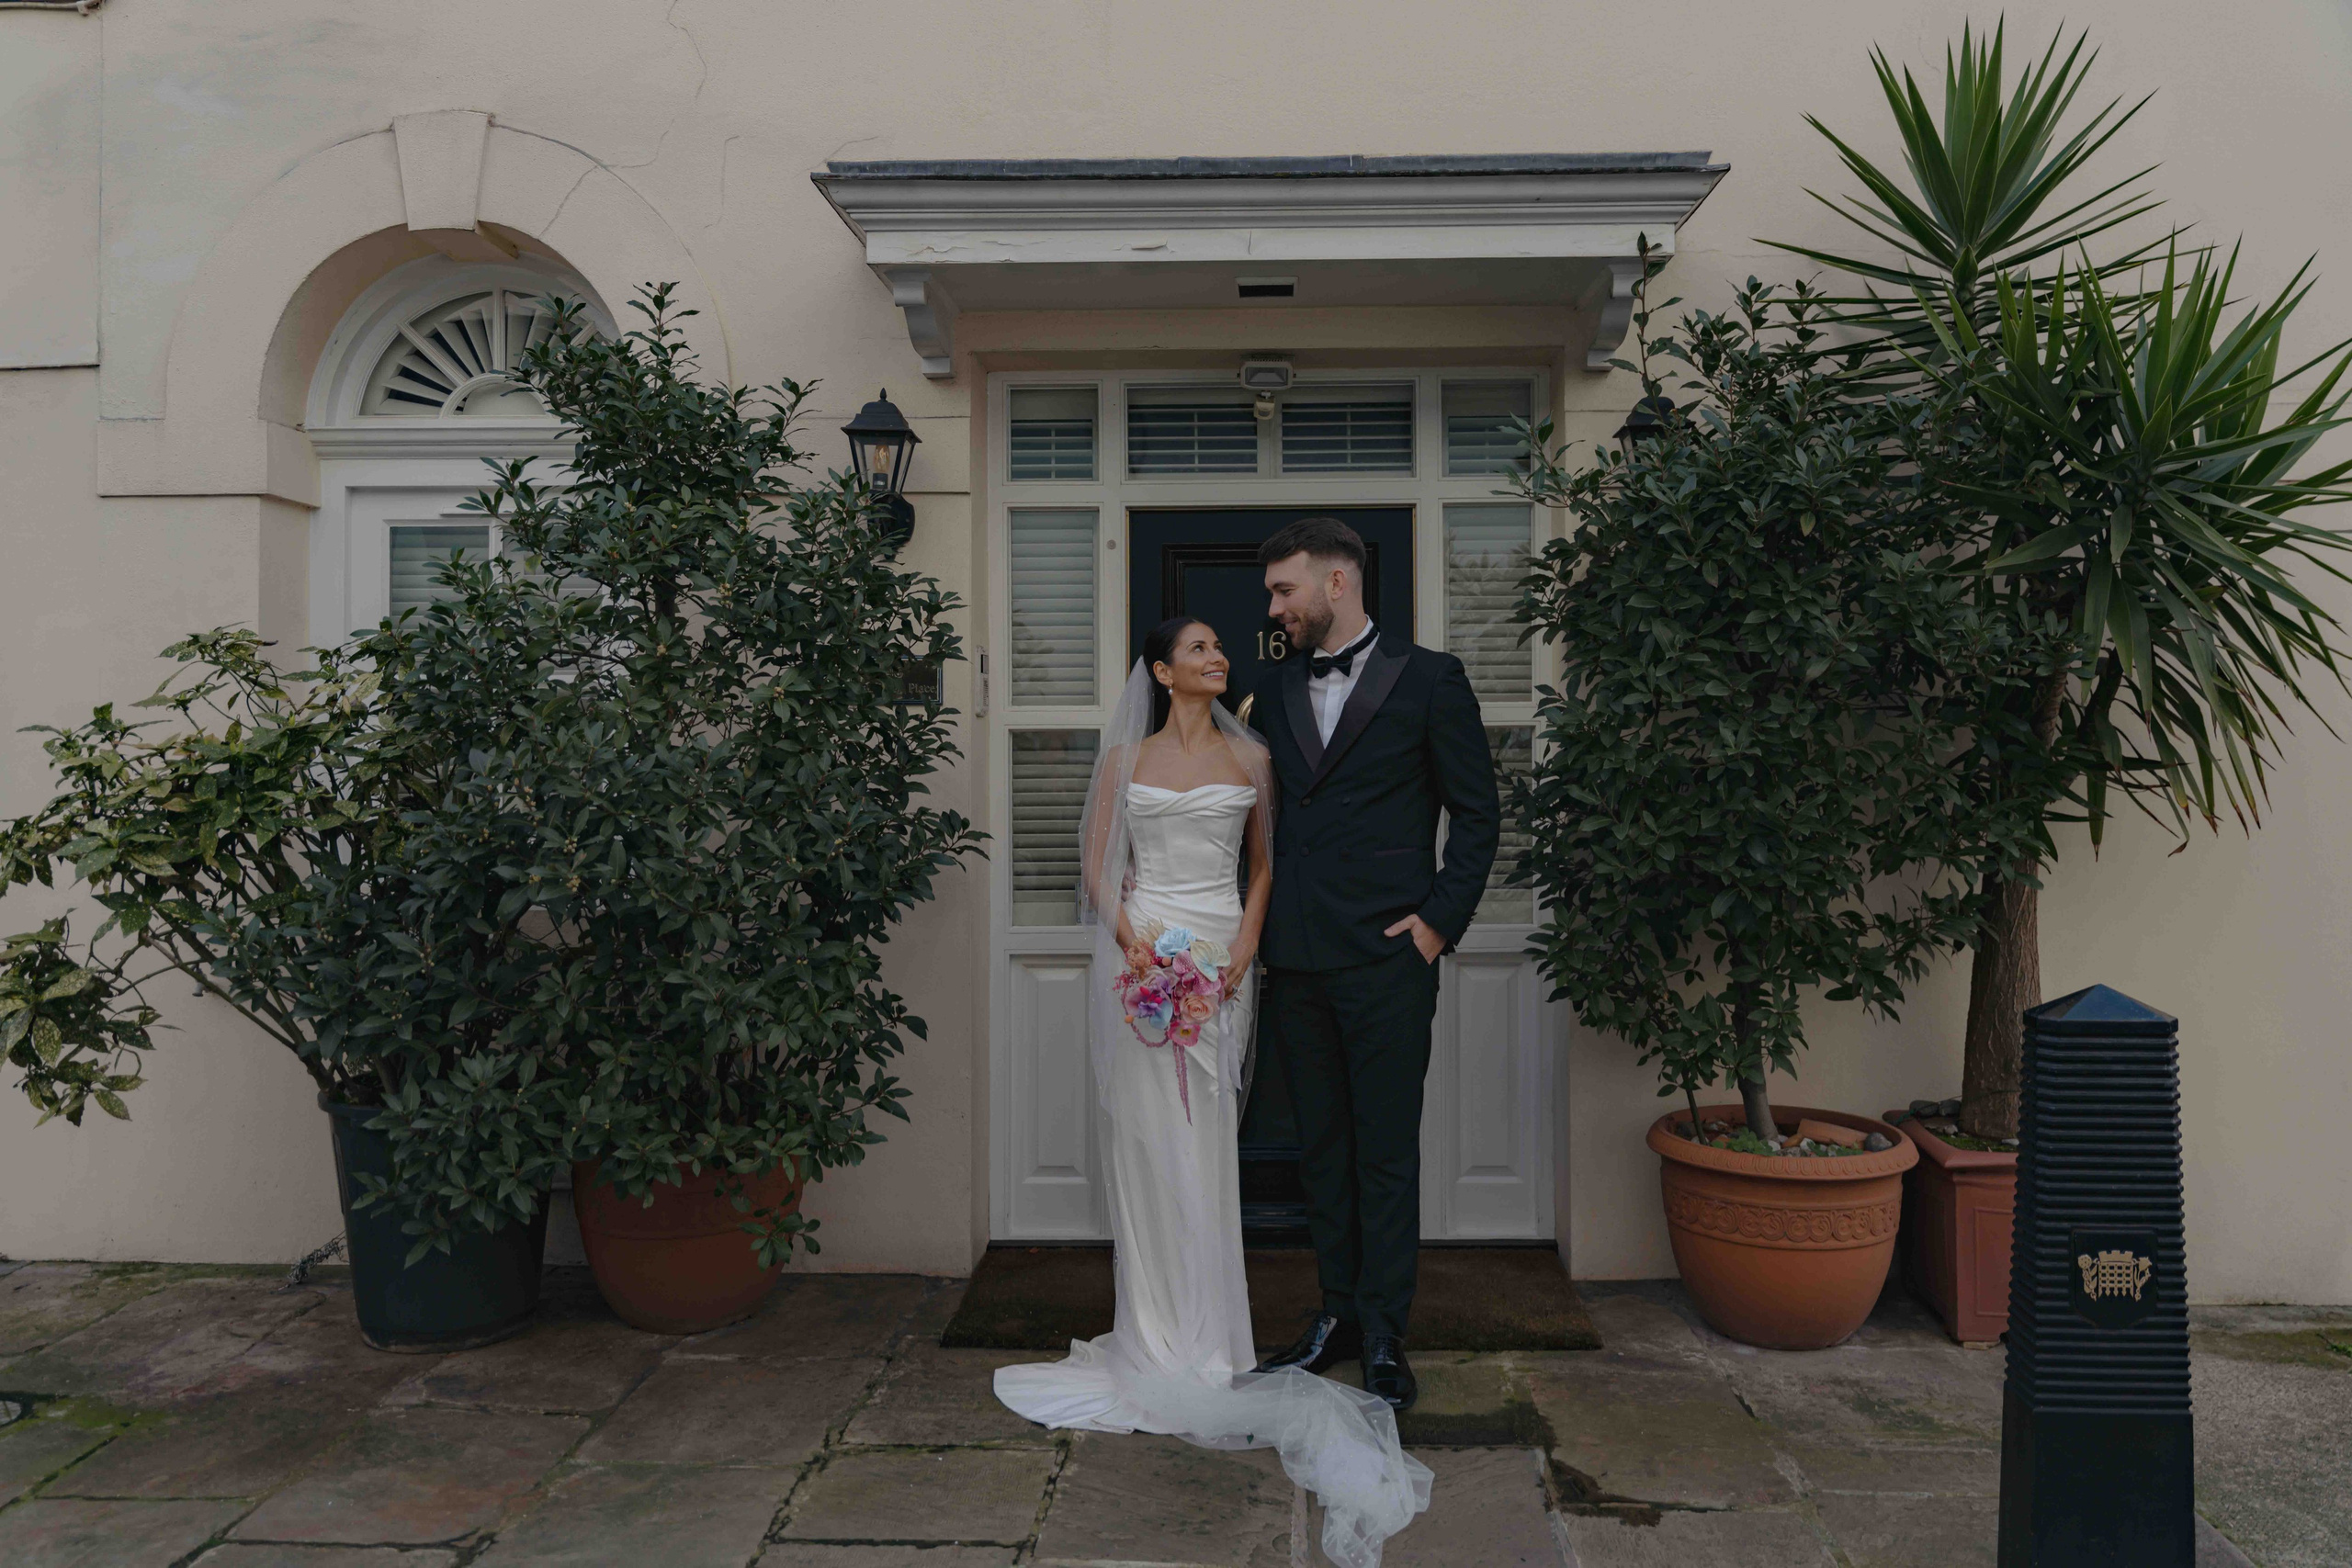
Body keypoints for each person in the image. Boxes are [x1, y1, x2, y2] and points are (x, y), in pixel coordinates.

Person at [993, 616, 1432, 1568]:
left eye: (1218, 649)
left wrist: (1240, 952)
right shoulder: (1124, 760)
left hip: (1222, 956)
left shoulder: (1255, 759)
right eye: (1197, 649)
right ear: (1161, 671)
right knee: (1147, 1142)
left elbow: (1266, 865)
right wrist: (1133, 943)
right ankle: (1151, 1337)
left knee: (1204, 1145)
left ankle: (1211, 1341)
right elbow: (1096, 867)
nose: (1216, 657)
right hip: (1146, 954)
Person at [1248, 517, 1501, 1412]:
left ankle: (1386, 1329)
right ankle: (1337, 1316)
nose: (1273, 607)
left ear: (1337, 583)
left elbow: (1478, 814)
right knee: (1321, 1151)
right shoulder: (1273, 688)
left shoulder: (1431, 678)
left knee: (1385, 1150)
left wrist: (1437, 925)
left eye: (1284, 590)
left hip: (1390, 959)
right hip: (1297, 960)